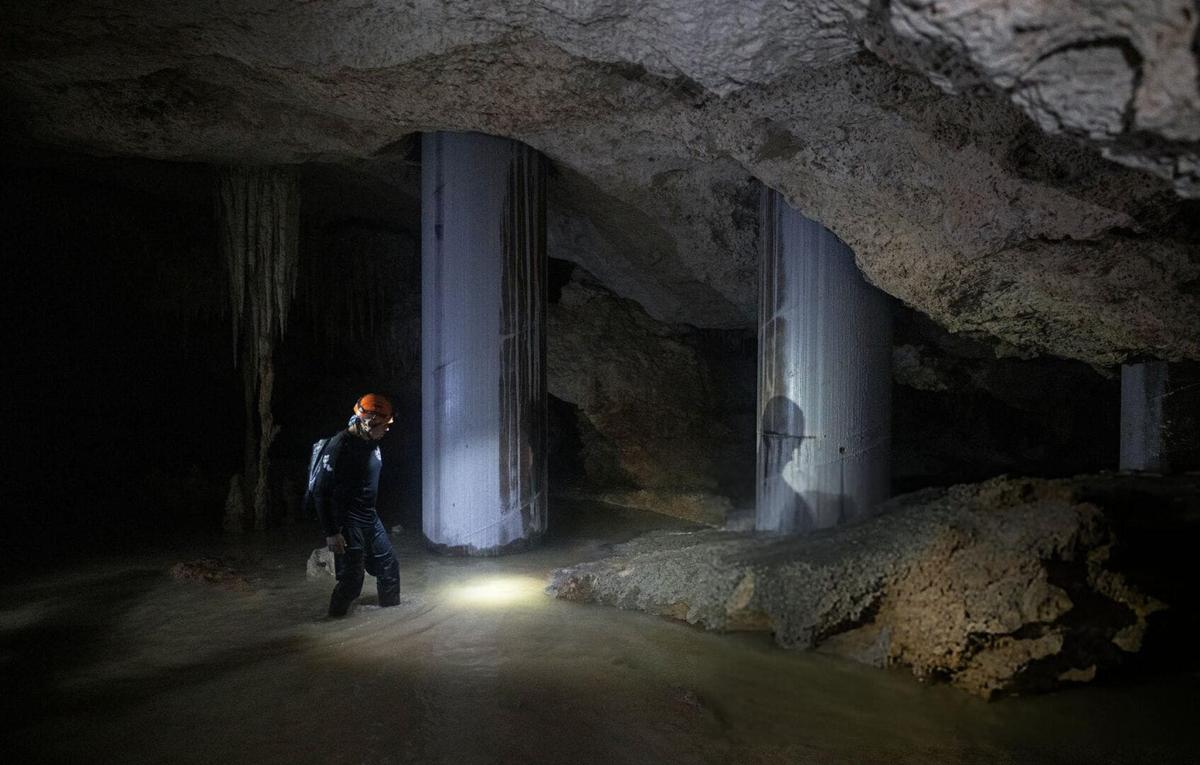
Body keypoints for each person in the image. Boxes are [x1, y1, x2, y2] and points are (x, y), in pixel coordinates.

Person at [311, 393, 401, 617]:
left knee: (389, 566)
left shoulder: (371, 441)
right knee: (352, 580)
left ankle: (394, 620)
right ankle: (333, 625)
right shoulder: (340, 446)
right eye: (386, 423)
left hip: (370, 516)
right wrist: (331, 533)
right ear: (369, 421)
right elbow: (320, 491)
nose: (388, 428)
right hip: (348, 521)